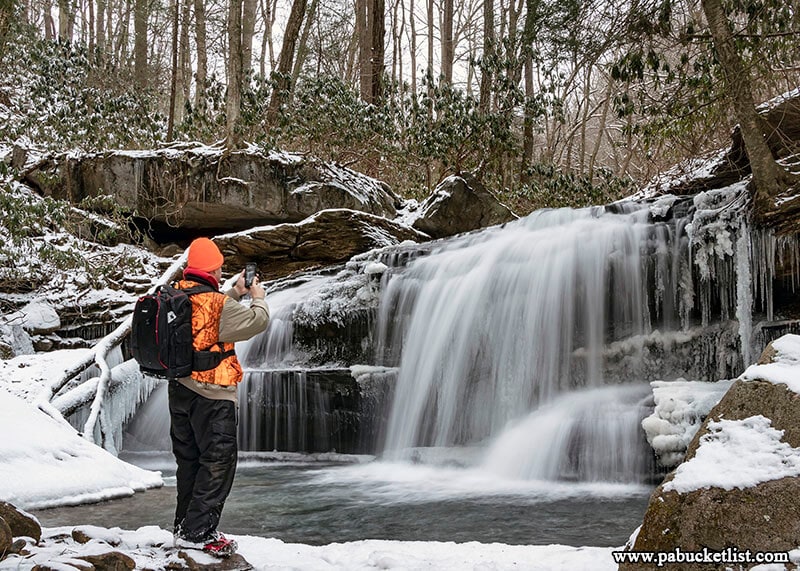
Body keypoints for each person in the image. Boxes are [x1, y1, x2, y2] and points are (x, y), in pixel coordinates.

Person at [169, 237, 270, 556]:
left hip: (180, 391)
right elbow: (257, 321)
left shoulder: (177, 293)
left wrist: (234, 292)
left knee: (190, 463)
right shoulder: (217, 305)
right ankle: (198, 533)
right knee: (218, 462)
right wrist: (257, 297)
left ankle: (185, 526)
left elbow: (206, 319)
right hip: (212, 394)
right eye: (219, 267)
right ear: (213, 269)